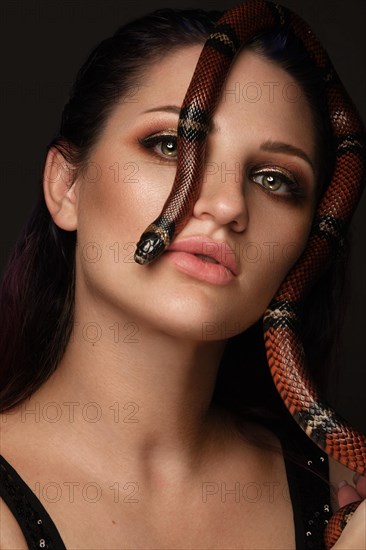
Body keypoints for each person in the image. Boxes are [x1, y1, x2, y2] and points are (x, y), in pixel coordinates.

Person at [0, 5, 365, 549]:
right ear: (67, 187)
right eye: (169, 146)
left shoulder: (341, 490)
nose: (224, 206)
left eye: (273, 179)